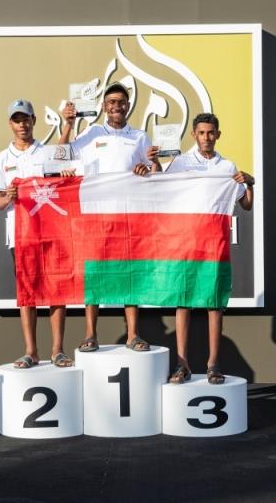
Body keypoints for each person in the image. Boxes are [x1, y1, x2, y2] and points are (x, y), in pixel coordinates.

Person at [153, 113, 254, 385]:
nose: (206, 138)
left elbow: (246, 204)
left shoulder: (227, 166)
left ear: (218, 135)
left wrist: (249, 182)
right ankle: (182, 364)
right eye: (201, 133)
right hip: (185, 241)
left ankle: (213, 365)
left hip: (215, 243)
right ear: (194, 135)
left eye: (211, 133)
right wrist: (153, 163)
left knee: (214, 304)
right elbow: (161, 188)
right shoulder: (181, 162)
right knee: (183, 302)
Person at [61, 83, 154, 353]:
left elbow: (151, 170)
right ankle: (91, 335)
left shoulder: (139, 136)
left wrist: (145, 167)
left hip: (128, 215)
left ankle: (133, 334)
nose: (116, 106)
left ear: (128, 106)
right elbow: (62, 154)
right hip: (96, 215)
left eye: (121, 102)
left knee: (130, 275)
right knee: (95, 275)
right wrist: (67, 124)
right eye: (111, 102)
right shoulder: (91, 134)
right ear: (104, 106)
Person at [0, 99, 74, 369]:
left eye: (26, 118)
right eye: (17, 119)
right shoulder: (1, 159)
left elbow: (63, 165)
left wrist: (68, 125)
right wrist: (11, 196)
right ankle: (31, 351)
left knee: (55, 290)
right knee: (27, 292)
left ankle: (57, 350)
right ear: (10, 124)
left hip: (51, 232)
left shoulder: (45, 152)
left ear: (34, 121)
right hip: (20, 235)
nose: (22, 124)